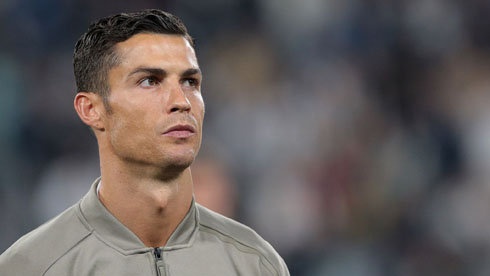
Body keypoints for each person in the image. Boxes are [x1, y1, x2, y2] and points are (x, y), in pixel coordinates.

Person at [0, 9, 289, 276]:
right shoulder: (32, 266)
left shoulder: (256, 262)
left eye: (190, 82)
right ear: (91, 110)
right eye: (150, 81)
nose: (181, 102)